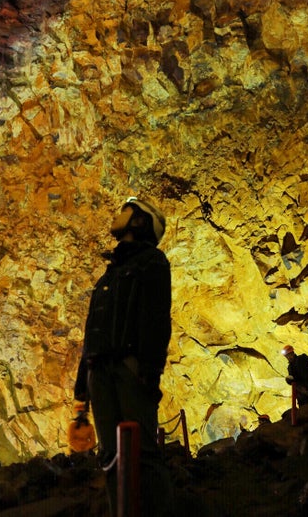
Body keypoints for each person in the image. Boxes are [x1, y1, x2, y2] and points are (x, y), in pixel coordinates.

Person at [73, 196, 172, 516]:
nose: (117, 214)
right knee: (110, 457)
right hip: (99, 372)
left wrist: (149, 372)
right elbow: (91, 335)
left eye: (125, 211)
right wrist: (80, 399)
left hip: (129, 369)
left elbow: (157, 319)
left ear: (139, 221)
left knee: (142, 453)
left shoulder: (152, 262)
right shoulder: (108, 277)